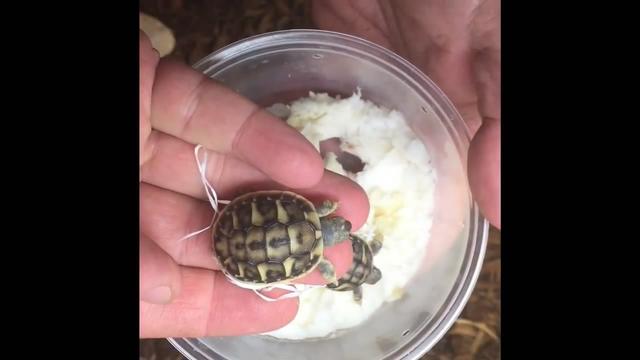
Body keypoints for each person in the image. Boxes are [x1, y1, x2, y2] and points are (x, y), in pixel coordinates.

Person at [139, 0, 499, 338]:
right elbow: (326, 267)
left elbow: (318, 228)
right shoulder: (319, 260)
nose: (344, 226)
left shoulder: (314, 215)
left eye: (339, 227)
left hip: (247, 222)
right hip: (244, 246)